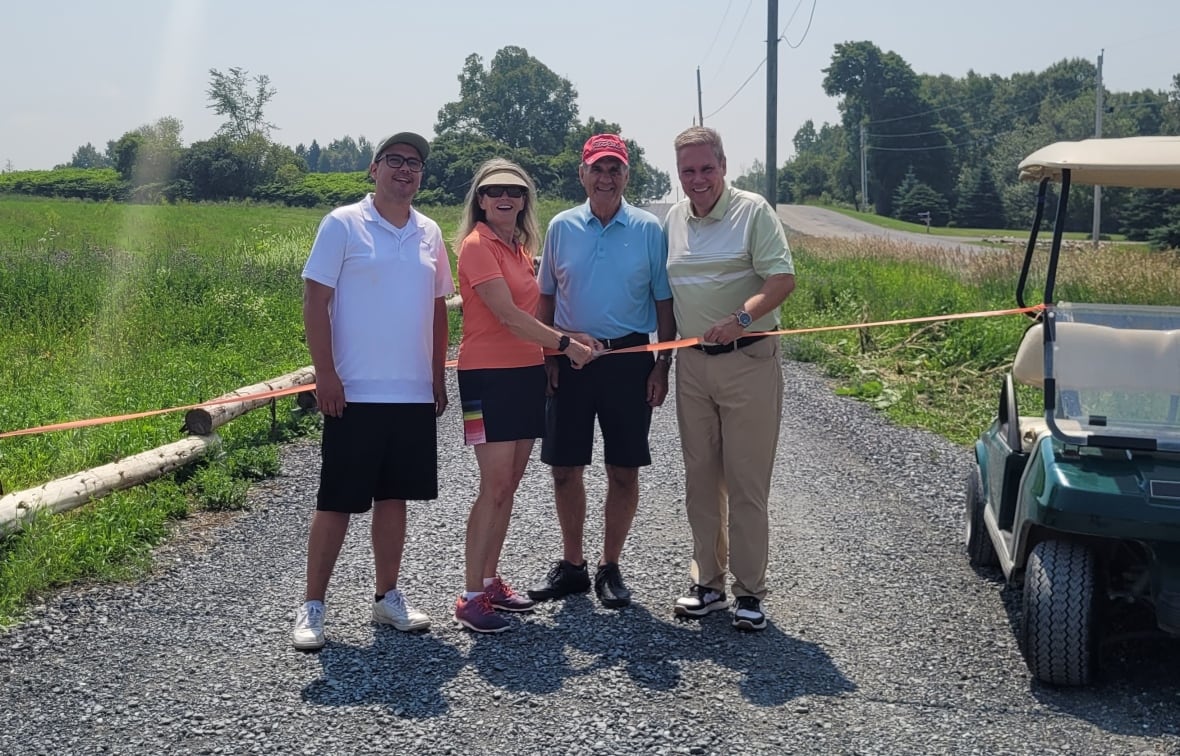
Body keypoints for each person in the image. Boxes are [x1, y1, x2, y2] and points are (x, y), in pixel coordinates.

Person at [292, 132, 452, 651]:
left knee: (394, 497)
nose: (405, 171)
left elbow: (436, 309)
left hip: (409, 392)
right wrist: (326, 374)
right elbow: (316, 301)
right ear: (374, 168)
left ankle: (387, 597)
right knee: (337, 499)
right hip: (354, 389)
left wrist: (436, 374)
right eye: (395, 161)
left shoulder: (430, 232)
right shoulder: (342, 224)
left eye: (415, 165)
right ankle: (313, 605)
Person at [528, 133, 675, 609]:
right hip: (570, 357)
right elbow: (545, 295)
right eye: (597, 168)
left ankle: (610, 565)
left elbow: (663, 301)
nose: (606, 177)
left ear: (627, 175)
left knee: (624, 469)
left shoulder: (649, 229)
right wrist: (549, 355)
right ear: (582, 174)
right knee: (565, 469)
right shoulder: (561, 227)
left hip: (629, 358)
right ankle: (573, 566)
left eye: (615, 169)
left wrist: (662, 364)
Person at [453, 158, 595, 634]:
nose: (504, 198)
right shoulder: (477, 246)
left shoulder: (518, 249)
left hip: (525, 376)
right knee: (491, 487)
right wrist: (565, 346)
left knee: (508, 486)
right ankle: (471, 596)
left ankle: (490, 582)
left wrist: (566, 335)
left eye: (513, 190)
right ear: (480, 199)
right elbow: (508, 316)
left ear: (524, 199)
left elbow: (532, 317)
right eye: (493, 191)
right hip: (484, 380)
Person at [663, 126, 795, 631]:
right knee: (700, 478)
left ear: (723, 165)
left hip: (748, 357)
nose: (698, 180)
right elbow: (669, 298)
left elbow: (781, 278)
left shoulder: (753, 211)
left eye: (706, 168)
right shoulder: (673, 219)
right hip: (692, 365)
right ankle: (707, 583)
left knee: (745, 480)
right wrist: (662, 361)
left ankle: (749, 592)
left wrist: (740, 319)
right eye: (688, 171)